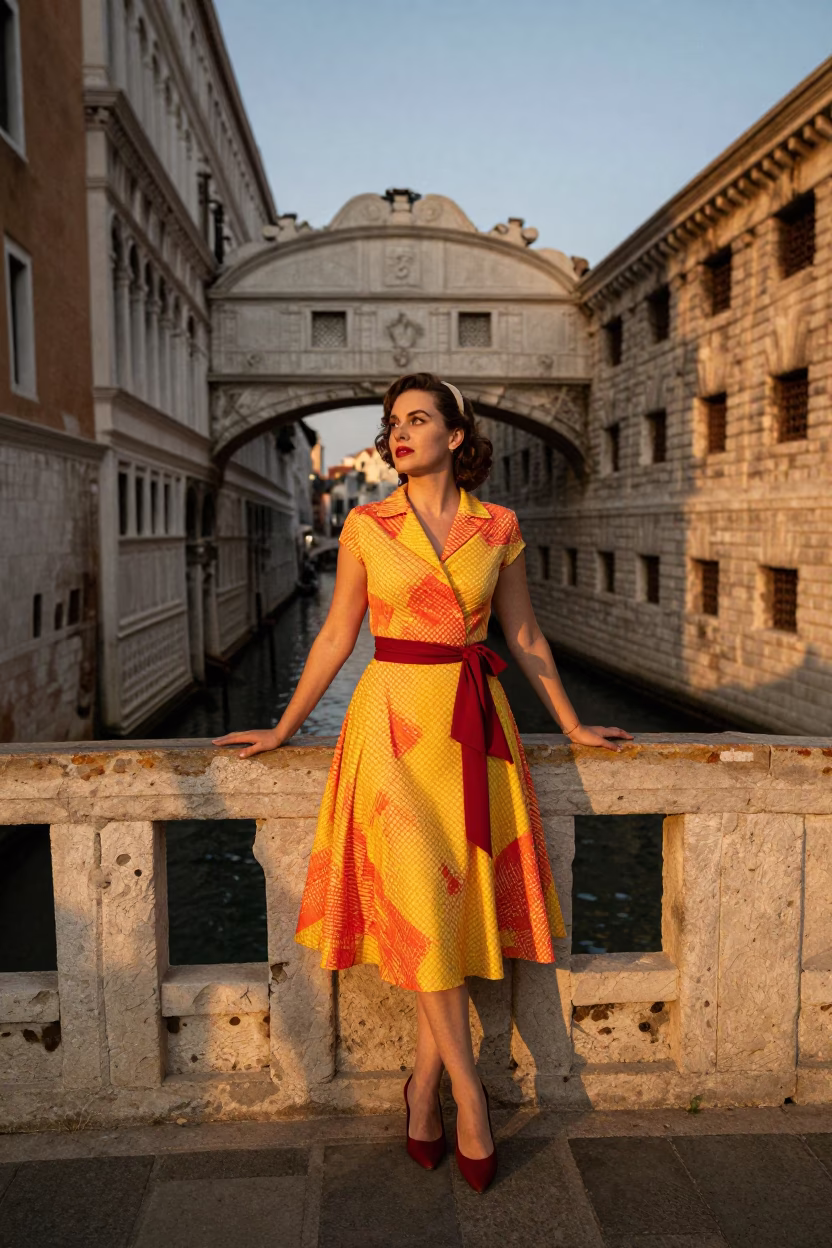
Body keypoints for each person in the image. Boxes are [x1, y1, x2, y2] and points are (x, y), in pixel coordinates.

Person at [212, 372, 632, 1192]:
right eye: (391, 423)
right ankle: (469, 1094)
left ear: (454, 433)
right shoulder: (368, 524)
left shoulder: (497, 525)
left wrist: (575, 724)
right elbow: (337, 636)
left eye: (417, 419)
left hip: (474, 732)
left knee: (451, 911)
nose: (399, 433)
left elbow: (525, 634)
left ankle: (424, 1089)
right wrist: (284, 727)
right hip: (394, 729)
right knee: (421, 908)